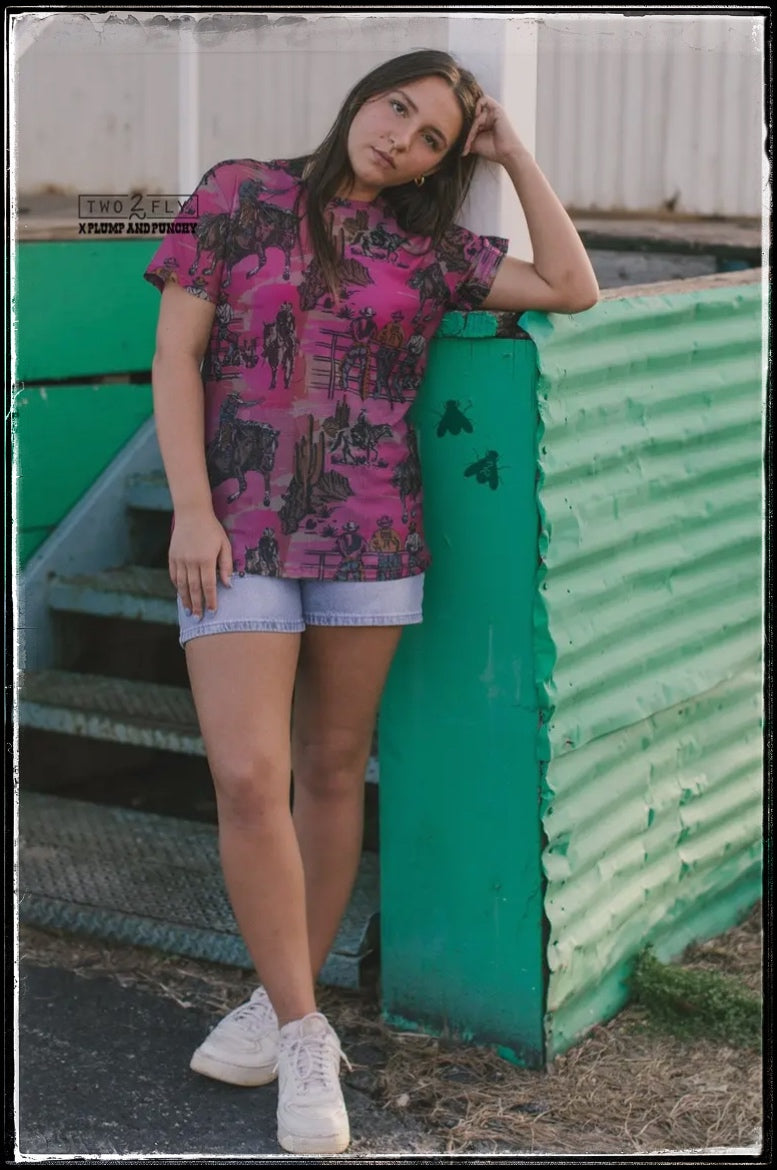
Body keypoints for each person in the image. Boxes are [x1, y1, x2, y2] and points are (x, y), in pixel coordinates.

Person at [143, 48, 598, 1156]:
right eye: (399, 107)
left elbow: (571, 286)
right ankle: (307, 1033)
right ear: (363, 94)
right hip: (236, 532)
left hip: (372, 533)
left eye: (432, 135)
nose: (401, 136)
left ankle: (273, 1002)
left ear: (444, 159)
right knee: (250, 777)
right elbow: (175, 352)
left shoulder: (432, 248)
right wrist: (190, 508)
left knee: (336, 769)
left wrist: (514, 151)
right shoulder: (235, 193)